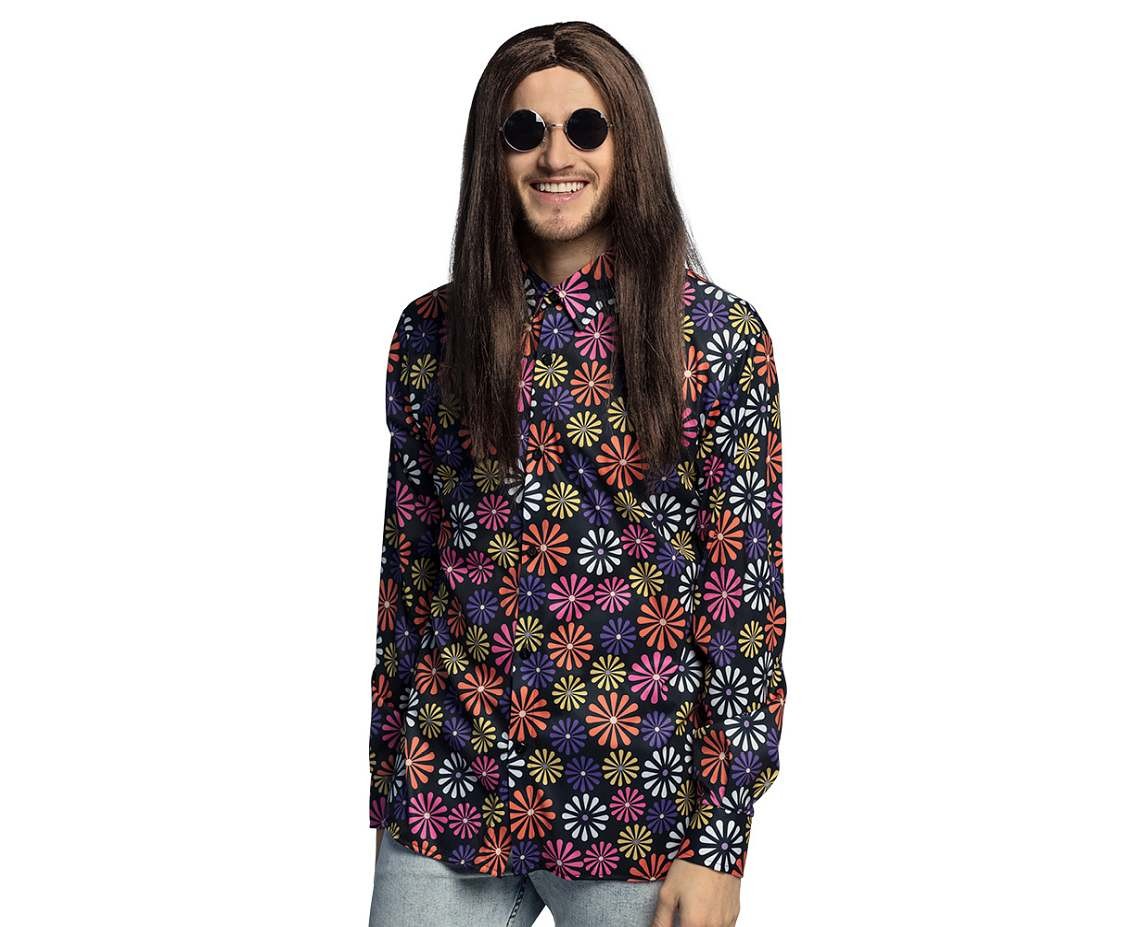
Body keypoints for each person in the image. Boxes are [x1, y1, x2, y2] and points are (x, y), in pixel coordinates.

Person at [368, 20, 787, 927]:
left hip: (636, 808)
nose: (555, 155)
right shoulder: (429, 335)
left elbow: (743, 599)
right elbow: (407, 577)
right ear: (494, 153)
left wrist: (720, 841)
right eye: (525, 131)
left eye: (585, 128)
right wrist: (387, 783)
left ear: (627, 142)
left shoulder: (717, 339)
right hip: (447, 792)